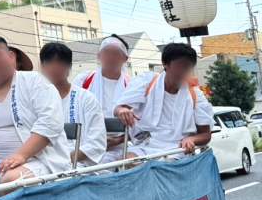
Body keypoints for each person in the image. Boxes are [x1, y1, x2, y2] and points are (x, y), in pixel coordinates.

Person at [0, 36, 69, 199]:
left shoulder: (34, 81)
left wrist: (21, 155)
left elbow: (50, 123)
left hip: (36, 163)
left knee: (12, 180)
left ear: (11, 57)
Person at [115, 43, 213, 164]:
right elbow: (119, 108)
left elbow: (206, 134)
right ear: (165, 64)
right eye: (178, 65)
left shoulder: (195, 95)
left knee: (164, 168)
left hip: (176, 149)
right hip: (144, 145)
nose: (182, 71)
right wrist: (122, 110)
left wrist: (192, 139)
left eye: (187, 66)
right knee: (125, 163)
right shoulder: (146, 82)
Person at [40, 43, 106, 167]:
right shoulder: (36, 100)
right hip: (44, 164)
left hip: (78, 163)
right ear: (42, 66)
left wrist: (63, 160)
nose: (54, 67)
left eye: (59, 62)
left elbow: (96, 142)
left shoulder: (86, 98)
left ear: (69, 66)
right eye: (49, 62)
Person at [73, 34, 132, 165]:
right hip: (82, 144)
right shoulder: (83, 80)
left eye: (116, 53)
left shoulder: (132, 86)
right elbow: (70, 112)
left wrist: (118, 140)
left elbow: (143, 125)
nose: (110, 57)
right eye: (106, 52)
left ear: (125, 58)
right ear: (99, 55)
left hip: (116, 148)